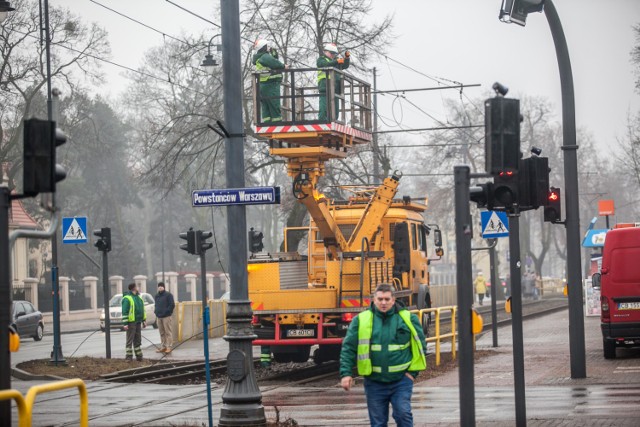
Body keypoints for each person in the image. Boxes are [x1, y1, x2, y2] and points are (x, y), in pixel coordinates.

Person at [340, 283, 427, 427]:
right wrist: (346, 373)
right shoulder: (361, 320)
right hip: (374, 382)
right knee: (378, 423)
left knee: (403, 415)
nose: (383, 303)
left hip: (401, 380)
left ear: (393, 299)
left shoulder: (408, 319)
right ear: (374, 300)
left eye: (387, 299)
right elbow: (348, 347)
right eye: (380, 299)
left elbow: (420, 346)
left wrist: (412, 373)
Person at [253, 39, 286, 123]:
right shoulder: (265, 57)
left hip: (263, 85)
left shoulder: (260, 57)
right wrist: (284, 66)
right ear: (264, 47)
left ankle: (267, 123)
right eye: (268, 46)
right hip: (271, 85)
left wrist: (274, 53)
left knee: (266, 105)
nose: (269, 47)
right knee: (274, 104)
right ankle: (277, 124)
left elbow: (273, 61)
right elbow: (275, 63)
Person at [317, 42, 350, 121]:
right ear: (326, 52)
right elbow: (325, 65)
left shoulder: (335, 61)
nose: (333, 55)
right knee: (324, 107)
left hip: (335, 88)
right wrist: (337, 61)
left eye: (334, 54)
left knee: (335, 110)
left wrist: (347, 58)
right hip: (325, 87)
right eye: (331, 53)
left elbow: (345, 65)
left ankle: (334, 121)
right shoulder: (321, 59)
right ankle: (322, 121)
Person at [122, 282, 146, 361]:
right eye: (137, 286)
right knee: (130, 339)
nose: (138, 288)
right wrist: (125, 323)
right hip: (131, 322)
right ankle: (128, 357)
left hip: (138, 321)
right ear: (134, 288)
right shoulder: (127, 298)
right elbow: (125, 311)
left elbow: (143, 310)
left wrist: (144, 320)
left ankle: (139, 356)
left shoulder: (139, 298)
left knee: (138, 340)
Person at [154, 282, 175, 354]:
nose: (160, 287)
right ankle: (163, 347)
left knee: (168, 332)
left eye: (161, 286)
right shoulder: (156, 296)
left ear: (164, 287)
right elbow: (156, 304)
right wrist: (156, 311)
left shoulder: (168, 295)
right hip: (159, 316)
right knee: (161, 333)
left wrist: (167, 311)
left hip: (166, 316)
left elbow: (172, 304)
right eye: (159, 286)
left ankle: (169, 347)